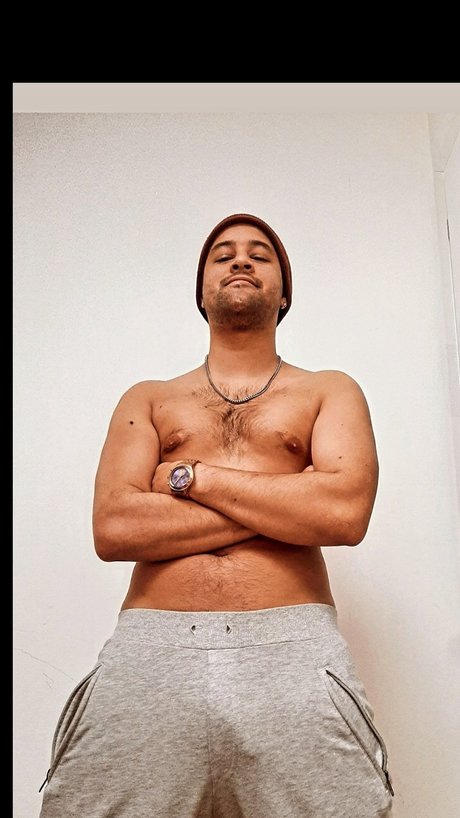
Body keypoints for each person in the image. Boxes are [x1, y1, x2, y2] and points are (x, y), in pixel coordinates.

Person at [39, 213, 394, 817]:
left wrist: (190, 478)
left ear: (284, 294)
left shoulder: (329, 390)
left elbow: (343, 513)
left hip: (294, 653)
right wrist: (287, 499)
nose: (241, 260)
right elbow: (116, 528)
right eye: (223, 255)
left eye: (260, 254)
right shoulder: (148, 398)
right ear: (201, 293)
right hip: (152, 653)